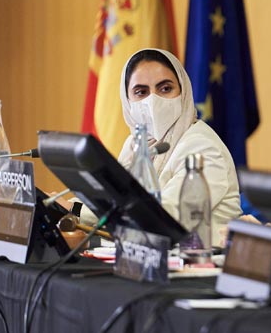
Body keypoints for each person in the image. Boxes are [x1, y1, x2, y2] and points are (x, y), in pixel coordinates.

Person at [82, 48, 244, 246]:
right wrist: (66, 206)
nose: (153, 101)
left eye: (165, 89)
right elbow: (117, 198)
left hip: (205, 260)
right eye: (141, 92)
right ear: (127, 101)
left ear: (183, 92)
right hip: (155, 255)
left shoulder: (203, 147)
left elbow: (165, 218)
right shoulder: (136, 144)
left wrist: (77, 211)